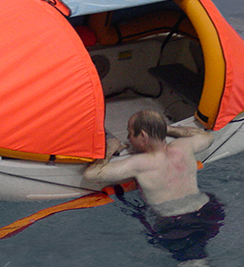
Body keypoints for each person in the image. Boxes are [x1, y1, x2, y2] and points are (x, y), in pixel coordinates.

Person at [83, 110, 225, 266]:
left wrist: (111, 147)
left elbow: (92, 174)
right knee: (199, 256)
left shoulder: (140, 163)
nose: (128, 138)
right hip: (208, 210)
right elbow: (207, 137)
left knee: (193, 262)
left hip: (176, 224)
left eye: (130, 133)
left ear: (143, 136)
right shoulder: (183, 146)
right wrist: (165, 129)